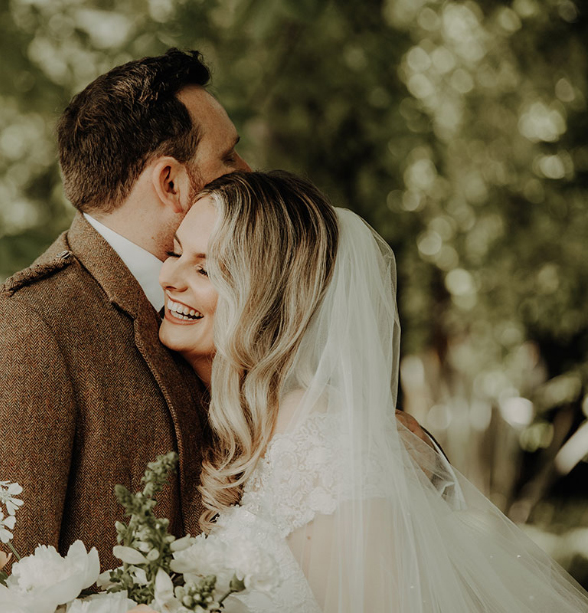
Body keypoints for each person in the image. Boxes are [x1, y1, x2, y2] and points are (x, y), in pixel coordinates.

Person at [158, 170, 588, 611]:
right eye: (174, 252)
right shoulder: (260, 421)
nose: (169, 276)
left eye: (205, 268)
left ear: (263, 298)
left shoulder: (314, 431)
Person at [0, 49, 251, 613]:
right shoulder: (26, 330)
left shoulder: (243, 308)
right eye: (228, 156)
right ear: (172, 182)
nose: (248, 171)